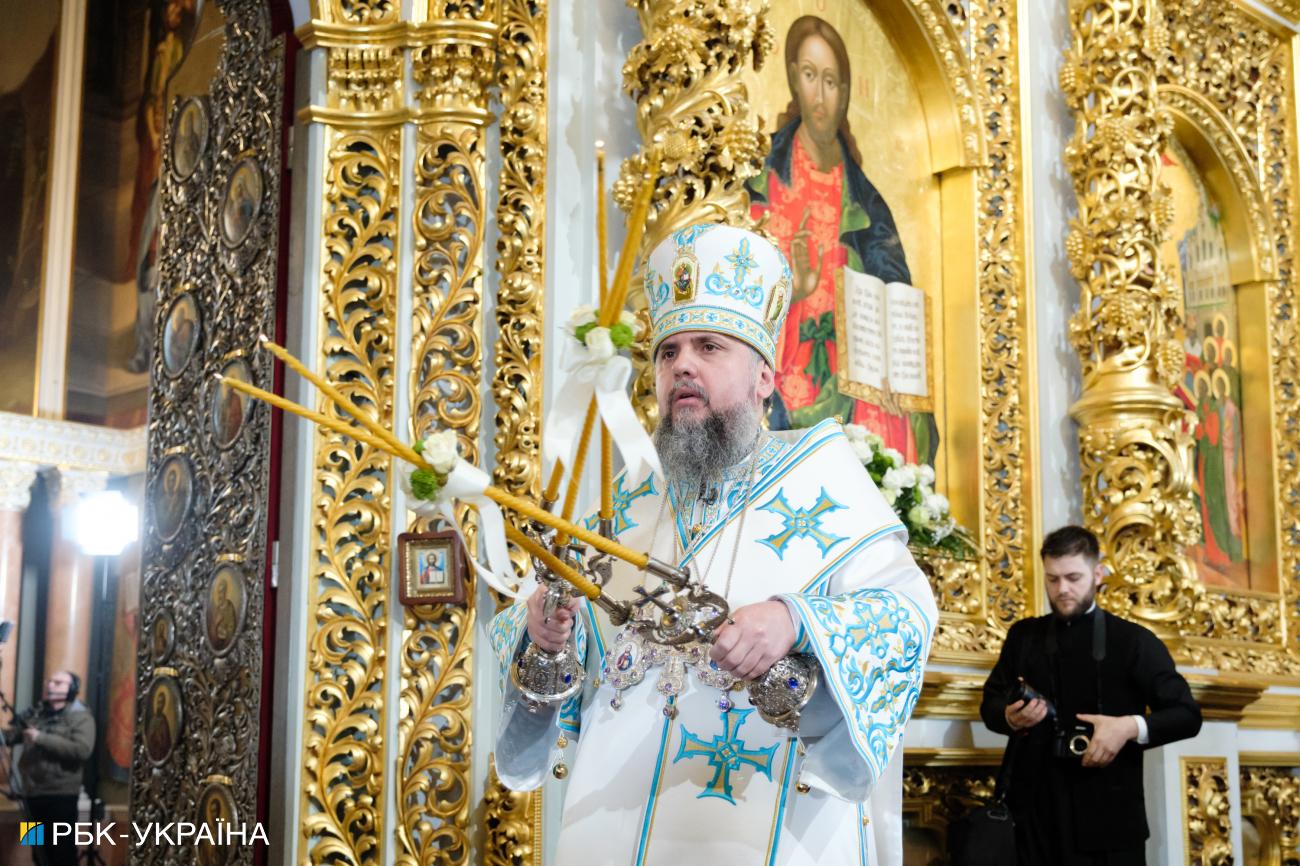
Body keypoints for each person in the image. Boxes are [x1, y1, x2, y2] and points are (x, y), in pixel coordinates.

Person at [491, 223, 938, 865]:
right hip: (612, 828)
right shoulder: (627, 503)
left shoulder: (822, 475)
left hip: (768, 824)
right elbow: (554, 691)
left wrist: (794, 620)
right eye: (668, 352)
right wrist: (542, 634)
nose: (683, 367)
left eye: (708, 347)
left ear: (764, 377)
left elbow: (906, 614)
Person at [747, 15, 938, 464]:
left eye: (831, 81)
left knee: (893, 420)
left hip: (854, 381)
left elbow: (893, 289)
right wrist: (799, 291)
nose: (820, 94)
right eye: (810, 76)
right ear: (793, 77)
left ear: (846, 92)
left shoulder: (867, 202)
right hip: (782, 368)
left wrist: (895, 369)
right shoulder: (762, 179)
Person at [979, 526, 1202, 866]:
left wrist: (1128, 727)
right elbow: (990, 703)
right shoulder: (1023, 636)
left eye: (1073, 577)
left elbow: (1187, 715)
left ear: (1098, 573)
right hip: (1032, 820)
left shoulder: (1133, 640)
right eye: (1052, 579)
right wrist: (1009, 717)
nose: (1062, 589)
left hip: (1109, 824)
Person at [3, 670, 95, 866]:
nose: (51, 685)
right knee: (37, 852)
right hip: (30, 796)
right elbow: (12, 737)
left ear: (72, 689)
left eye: (58, 682)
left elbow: (82, 750)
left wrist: (41, 738)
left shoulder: (81, 717)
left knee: (61, 853)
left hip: (59, 797)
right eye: (50, 681)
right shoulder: (36, 714)